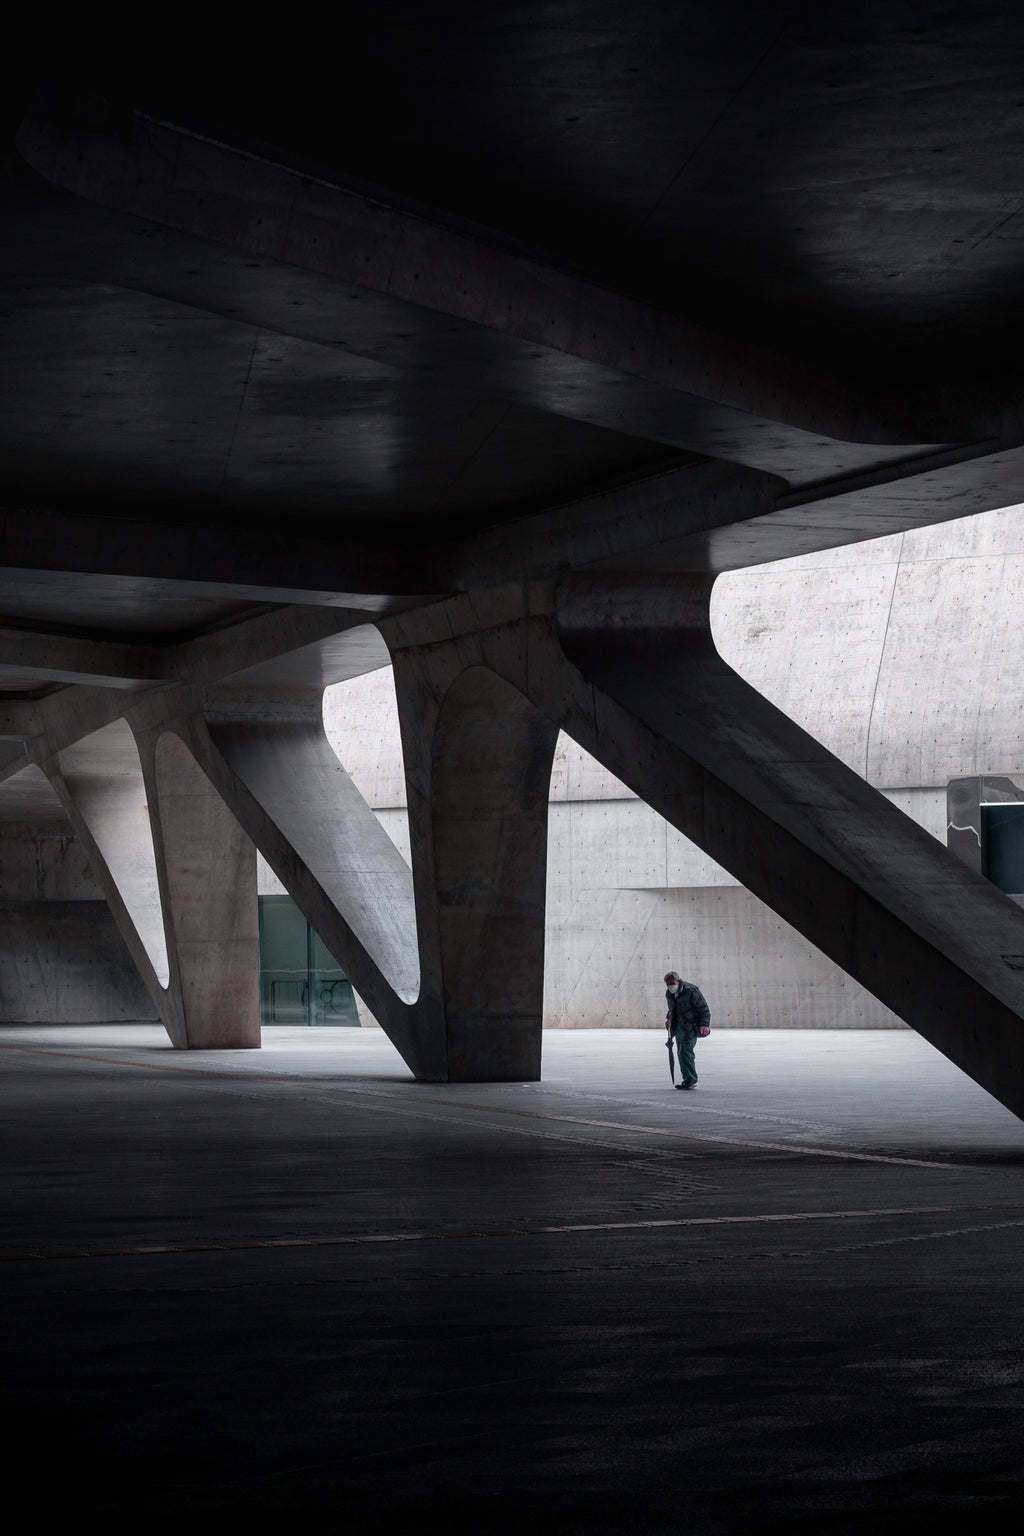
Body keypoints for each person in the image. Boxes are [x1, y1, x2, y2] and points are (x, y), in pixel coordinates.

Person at [664, 969, 710, 1090]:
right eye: (668, 983)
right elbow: (672, 1009)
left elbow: (703, 1008)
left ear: (679, 981)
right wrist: (669, 1019)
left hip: (691, 1026)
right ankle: (688, 1079)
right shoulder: (669, 993)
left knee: (685, 1051)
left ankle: (690, 1079)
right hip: (679, 1026)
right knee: (681, 1052)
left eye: (672, 982)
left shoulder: (691, 991)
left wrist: (704, 1025)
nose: (670, 986)